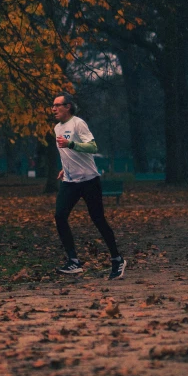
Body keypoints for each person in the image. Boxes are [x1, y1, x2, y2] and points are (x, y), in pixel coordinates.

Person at [52, 92, 126, 280]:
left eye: (57, 105)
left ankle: (117, 259)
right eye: (52, 106)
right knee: (60, 216)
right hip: (70, 181)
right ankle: (74, 262)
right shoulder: (57, 128)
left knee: (98, 220)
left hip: (89, 181)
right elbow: (67, 154)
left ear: (68, 106)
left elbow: (93, 147)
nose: (53, 109)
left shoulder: (78, 123)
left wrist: (71, 144)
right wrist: (64, 168)